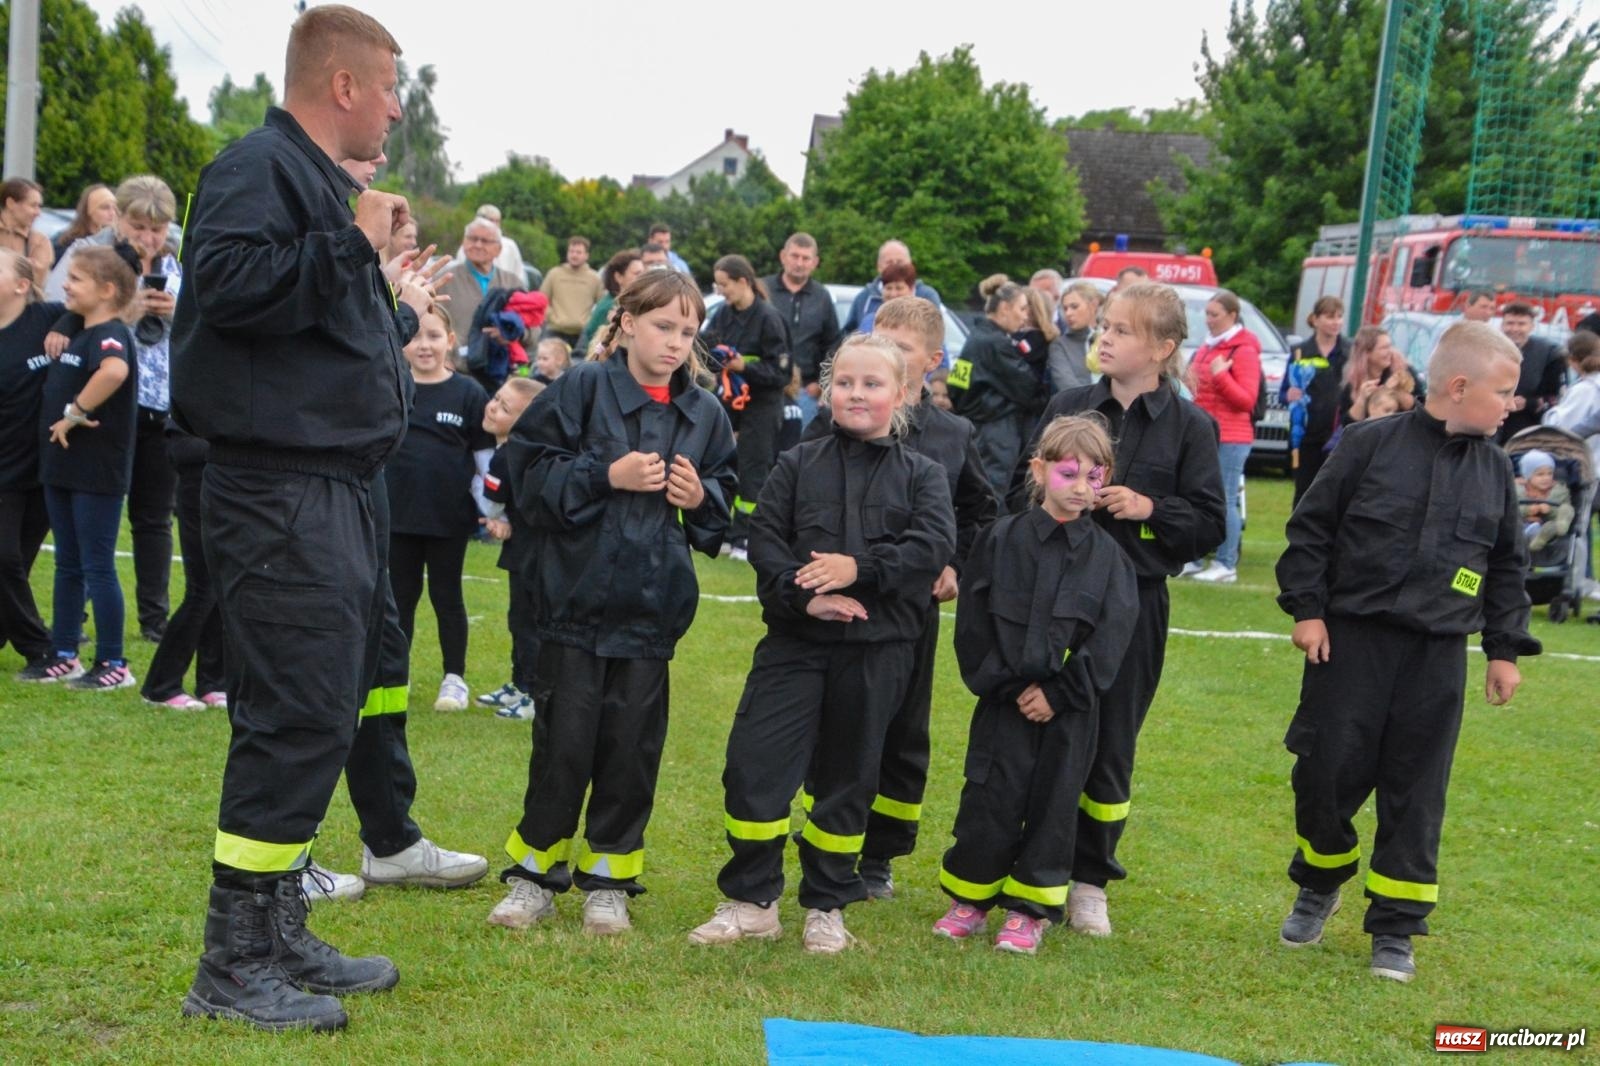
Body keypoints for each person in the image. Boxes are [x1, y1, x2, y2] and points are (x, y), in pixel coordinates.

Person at [169, 4, 426, 1033]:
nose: (400, 111)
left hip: (334, 488)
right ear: (345, 86)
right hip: (277, 489)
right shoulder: (257, 167)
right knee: (294, 713)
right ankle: (230, 964)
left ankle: (273, 931)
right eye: (393, 89)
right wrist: (347, 244)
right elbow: (227, 290)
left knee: (324, 701)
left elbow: (313, 327)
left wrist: (378, 277)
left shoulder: (321, 190)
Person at [1275, 321, 1539, 984]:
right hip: (1350, 647)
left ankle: (1395, 926)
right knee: (1325, 776)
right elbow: (1311, 531)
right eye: (1505, 391)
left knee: (1416, 794)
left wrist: (1504, 650)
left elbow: (1508, 567)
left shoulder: (1496, 471)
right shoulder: (1368, 446)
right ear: (1458, 386)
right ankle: (1321, 877)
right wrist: (1307, 610)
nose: (1514, 404)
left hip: (1436, 659)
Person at [487, 270, 737, 936]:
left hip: (650, 615)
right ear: (626, 322)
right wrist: (605, 474)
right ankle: (534, 877)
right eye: (663, 326)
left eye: (688, 332)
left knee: (631, 751)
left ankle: (609, 882)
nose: (675, 343)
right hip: (573, 605)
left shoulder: (704, 414)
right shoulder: (579, 389)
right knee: (562, 746)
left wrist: (700, 499)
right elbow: (527, 475)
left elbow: (724, 504)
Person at [688, 333, 956, 954]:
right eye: (844, 382)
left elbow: (930, 548)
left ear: (901, 394)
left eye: (872, 384)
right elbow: (766, 542)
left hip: (877, 652)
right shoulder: (796, 462)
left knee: (847, 781)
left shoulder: (924, 474)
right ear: (827, 390)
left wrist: (855, 569)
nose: (856, 394)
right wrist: (805, 596)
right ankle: (752, 900)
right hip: (795, 645)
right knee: (753, 769)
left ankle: (827, 906)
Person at [1006, 282, 1226, 938]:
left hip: (1134, 605)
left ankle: (1090, 879)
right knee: (1039, 730)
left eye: (1124, 330)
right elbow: (1027, 484)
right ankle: (1028, 867)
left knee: (1111, 741)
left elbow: (1211, 522)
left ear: (1162, 348)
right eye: (1105, 325)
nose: (1105, 336)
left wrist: (1150, 510)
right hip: (1055, 598)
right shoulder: (1069, 404)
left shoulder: (1191, 426)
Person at [799, 296, 997, 899]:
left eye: (903, 349)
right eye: (878, 339)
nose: (887, 355)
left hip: (908, 614)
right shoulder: (832, 422)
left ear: (933, 361)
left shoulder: (953, 434)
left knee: (900, 732)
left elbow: (982, 511)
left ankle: (881, 854)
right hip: (835, 610)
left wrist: (954, 564)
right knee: (836, 725)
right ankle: (826, 835)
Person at [934, 415, 1138, 954]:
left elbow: (1111, 639)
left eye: (1093, 477)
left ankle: (1031, 909)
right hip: (1004, 706)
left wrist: (1061, 693)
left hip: (1069, 714)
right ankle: (971, 898)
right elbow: (974, 626)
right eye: (1068, 473)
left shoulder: (1111, 561)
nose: (1079, 487)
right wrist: (1003, 686)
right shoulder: (1001, 540)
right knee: (989, 798)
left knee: (1054, 803)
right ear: (1039, 470)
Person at [50, 175, 185, 643]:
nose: (149, 238)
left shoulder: (181, 260)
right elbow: (64, 313)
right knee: (95, 514)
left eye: (158, 228)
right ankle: (79, 615)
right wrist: (128, 309)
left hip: (163, 403)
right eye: (139, 226)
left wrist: (178, 311)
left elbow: (211, 322)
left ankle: (155, 619)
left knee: (153, 516)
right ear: (119, 220)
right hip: (105, 401)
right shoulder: (95, 258)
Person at [32, 246, 139, 690]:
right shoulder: (79, 329)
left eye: (76, 279)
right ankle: (64, 653)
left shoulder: (111, 333)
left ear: (107, 290)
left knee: (97, 566)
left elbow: (113, 372)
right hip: (63, 466)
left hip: (97, 470)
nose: (67, 286)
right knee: (67, 565)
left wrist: (75, 411)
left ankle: (113, 663)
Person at [386, 303, 494, 712]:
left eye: (434, 336)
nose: (424, 345)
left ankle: (455, 678)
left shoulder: (468, 393)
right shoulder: (392, 384)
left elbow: (484, 460)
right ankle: (396, 673)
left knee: (447, 596)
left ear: (450, 342)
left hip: (448, 518)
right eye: (416, 336)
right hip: (397, 514)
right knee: (400, 597)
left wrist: (493, 511)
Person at [703, 253, 793, 559]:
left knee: (754, 469)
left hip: (762, 405)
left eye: (725, 284)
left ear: (743, 281)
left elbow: (781, 373)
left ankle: (746, 536)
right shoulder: (723, 315)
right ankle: (724, 531)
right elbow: (706, 348)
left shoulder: (769, 318)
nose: (721, 291)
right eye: (717, 286)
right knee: (721, 463)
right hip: (729, 402)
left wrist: (743, 367)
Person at [0, 250, 62, 678]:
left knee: (18, 559)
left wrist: (69, 326)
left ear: (22, 285)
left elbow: (99, 311)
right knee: (4, 559)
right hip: (2, 471)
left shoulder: (50, 318)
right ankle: (40, 648)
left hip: (44, 469)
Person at [138, 424, 227, 710]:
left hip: (223, 469)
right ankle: (160, 685)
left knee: (219, 582)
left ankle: (212, 681)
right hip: (202, 468)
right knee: (202, 588)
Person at [475, 376, 543, 719]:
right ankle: (520, 683)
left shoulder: (508, 456)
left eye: (504, 407)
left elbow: (490, 502)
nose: (492, 407)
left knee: (528, 622)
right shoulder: (521, 451)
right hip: (532, 549)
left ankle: (533, 692)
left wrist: (499, 518)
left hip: (531, 553)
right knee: (521, 620)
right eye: (496, 397)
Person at [1183, 290, 1261, 584]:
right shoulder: (1206, 347)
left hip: (1231, 436)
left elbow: (1246, 400)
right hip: (1205, 434)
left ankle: (1226, 563)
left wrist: (1221, 377)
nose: (1209, 320)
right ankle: (1193, 558)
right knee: (1195, 497)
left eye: (1215, 314)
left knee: (1225, 498)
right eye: (1207, 314)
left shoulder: (1243, 351)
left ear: (1232, 315)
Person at [946, 281, 1041, 496]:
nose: (1025, 316)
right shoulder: (994, 343)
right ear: (1005, 307)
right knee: (993, 493)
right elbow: (1030, 388)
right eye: (1022, 308)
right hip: (995, 432)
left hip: (981, 428)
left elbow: (956, 387)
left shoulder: (977, 336)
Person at [763, 232, 842, 428]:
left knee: (801, 452)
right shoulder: (763, 290)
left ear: (814, 262)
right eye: (795, 256)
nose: (799, 263)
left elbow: (833, 345)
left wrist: (823, 385)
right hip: (764, 389)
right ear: (783, 256)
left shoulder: (822, 297)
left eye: (805, 258)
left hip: (806, 393)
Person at [1283, 296, 1349, 506]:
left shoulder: (1349, 351)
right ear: (1316, 319)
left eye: (1339, 317)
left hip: (1340, 433)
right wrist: (1289, 394)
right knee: (1304, 490)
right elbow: (1285, 391)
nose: (1336, 322)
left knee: (1334, 492)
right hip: (1306, 434)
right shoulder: (1300, 351)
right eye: (1330, 317)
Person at [437, 217, 526, 363]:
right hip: (456, 368)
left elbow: (532, 328)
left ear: (499, 249)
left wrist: (511, 334)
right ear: (463, 242)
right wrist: (446, 361)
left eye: (485, 241)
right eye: (472, 239)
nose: (478, 245)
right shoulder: (445, 279)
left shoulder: (512, 282)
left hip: (502, 370)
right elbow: (431, 323)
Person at [1496, 302, 1567, 441]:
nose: (1515, 329)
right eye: (1510, 323)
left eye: (1521, 324)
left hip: (1527, 430)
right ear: (1502, 325)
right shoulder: (1487, 349)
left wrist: (1529, 403)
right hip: (1490, 424)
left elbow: (1558, 398)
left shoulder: (1550, 353)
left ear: (1532, 326)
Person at [843, 240, 944, 333]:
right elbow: (848, 334)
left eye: (900, 262)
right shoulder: (864, 298)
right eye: (889, 262)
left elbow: (935, 335)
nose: (894, 266)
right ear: (879, 266)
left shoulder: (927, 296)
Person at [1339, 326, 1419, 430]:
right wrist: (1362, 399)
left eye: (1390, 346)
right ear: (1367, 353)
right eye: (1384, 348)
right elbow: (1347, 426)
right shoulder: (1353, 383)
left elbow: (1421, 408)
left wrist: (1396, 392)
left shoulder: (1404, 372)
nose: (1390, 351)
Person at [540, 236, 605, 349]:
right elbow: (541, 300)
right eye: (571, 251)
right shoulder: (554, 274)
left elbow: (602, 306)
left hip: (582, 335)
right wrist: (551, 317)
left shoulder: (594, 278)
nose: (574, 255)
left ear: (586, 255)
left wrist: (590, 322)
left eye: (579, 252)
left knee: (581, 366)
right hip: (555, 331)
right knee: (546, 364)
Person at [578, 247, 644, 357]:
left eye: (643, 272)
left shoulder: (634, 302)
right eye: (637, 273)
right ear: (618, 277)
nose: (643, 277)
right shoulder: (608, 306)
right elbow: (593, 344)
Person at [1515, 449, 1573, 555]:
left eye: (1549, 473)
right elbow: (1510, 511)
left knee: (1566, 509)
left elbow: (1559, 508)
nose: (1546, 478)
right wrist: (1529, 510)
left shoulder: (1558, 491)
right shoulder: (1518, 490)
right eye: (1540, 474)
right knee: (1520, 525)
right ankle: (1537, 537)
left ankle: (1559, 525)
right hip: (1523, 526)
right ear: (1528, 476)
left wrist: (1549, 510)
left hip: (1551, 523)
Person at [1048, 281, 1102, 393]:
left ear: (1093, 305)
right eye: (1065, 308)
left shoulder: (1107, 338)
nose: (1068, 313)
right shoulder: (1059, 345)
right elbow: (1067, 385)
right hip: (1079, 407)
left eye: (1074, 306)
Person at [51, 183, 119, 265]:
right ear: (89, 211)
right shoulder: (65, 243)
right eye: (105, 208)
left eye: (115, 208)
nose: (112, 213)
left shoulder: (116, 243)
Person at [0, 178, 53, 280]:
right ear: (10, 203)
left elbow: (36, 284)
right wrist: (26, 264)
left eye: (39, 206)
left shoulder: (39, 241)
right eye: (33, 205)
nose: (38, 213)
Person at [855, 261, 918, 334]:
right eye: (888, 288)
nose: (893, 294)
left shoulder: (922, 323)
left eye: (899, 288)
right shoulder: (871, 322)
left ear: (911, 289)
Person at [473, 203, 525, 280]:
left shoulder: (510, 246)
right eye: (490, 220)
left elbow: (519, 275)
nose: (494, 225)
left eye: (497, 221)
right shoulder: (469, 246)